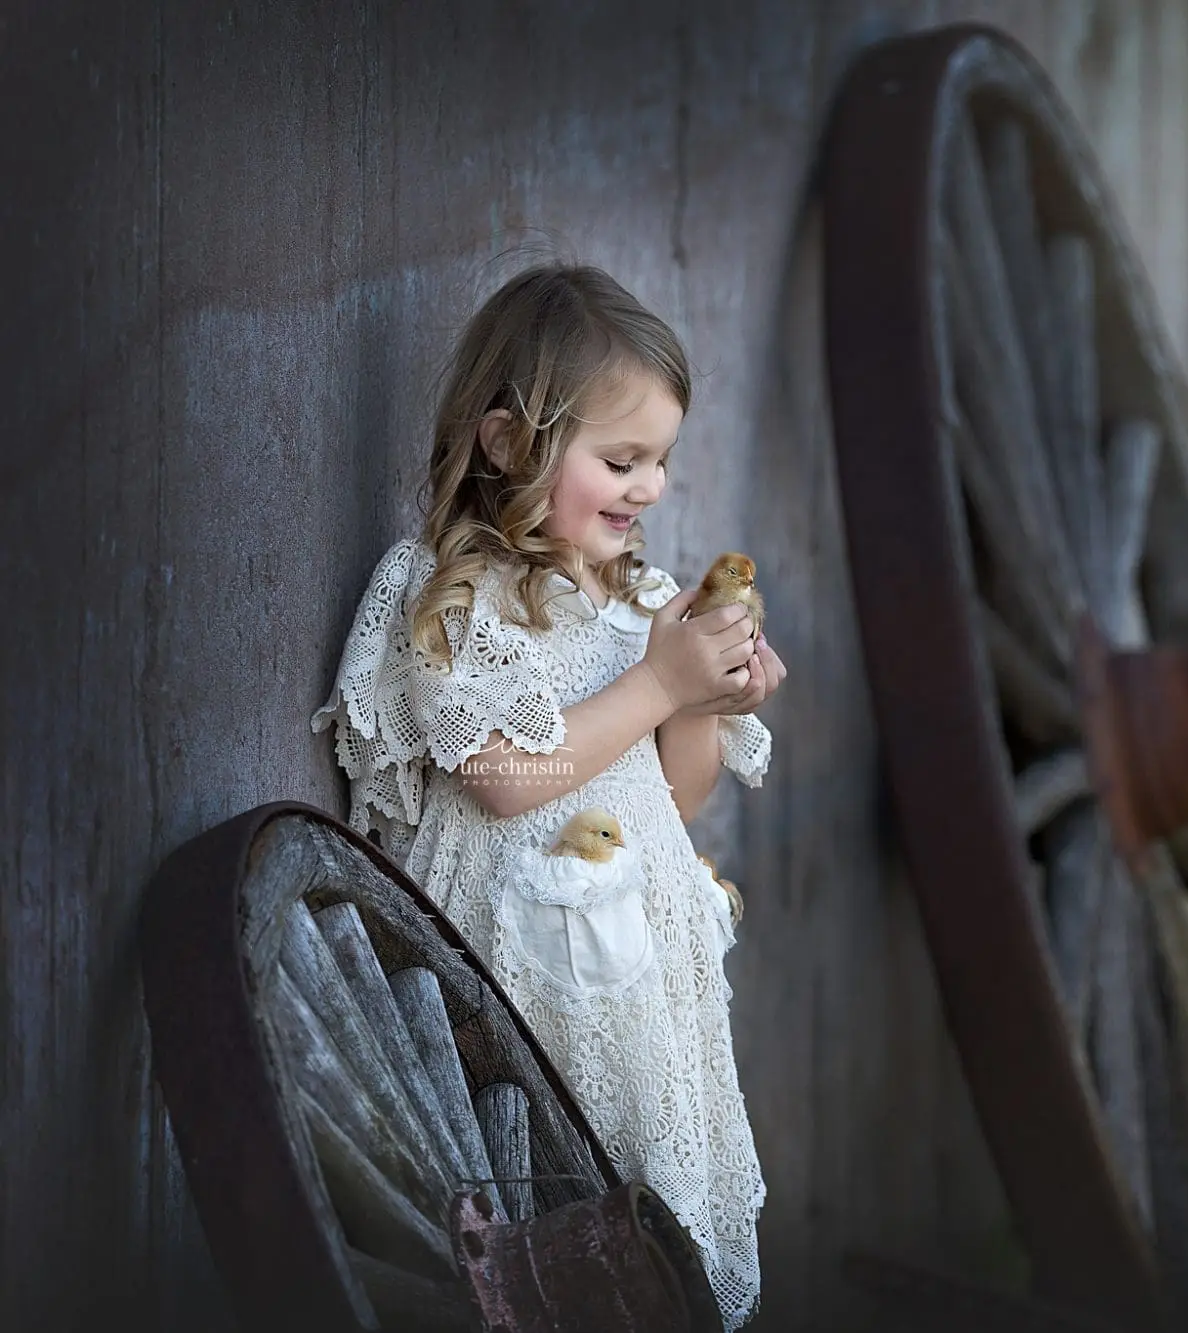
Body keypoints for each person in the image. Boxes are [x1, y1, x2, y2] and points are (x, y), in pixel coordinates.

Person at [311, 264, 779, 1329]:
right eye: (621, 459)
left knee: (634, 1215)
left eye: (659, 461)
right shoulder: (449, 593)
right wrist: (658, 680)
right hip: (512, 983)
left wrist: (699, 695)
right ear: (509, 444)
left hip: (636, 992)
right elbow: (499, 775)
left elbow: (677, 794)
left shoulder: (641, 603)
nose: (649, 487)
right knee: (536, 1208)